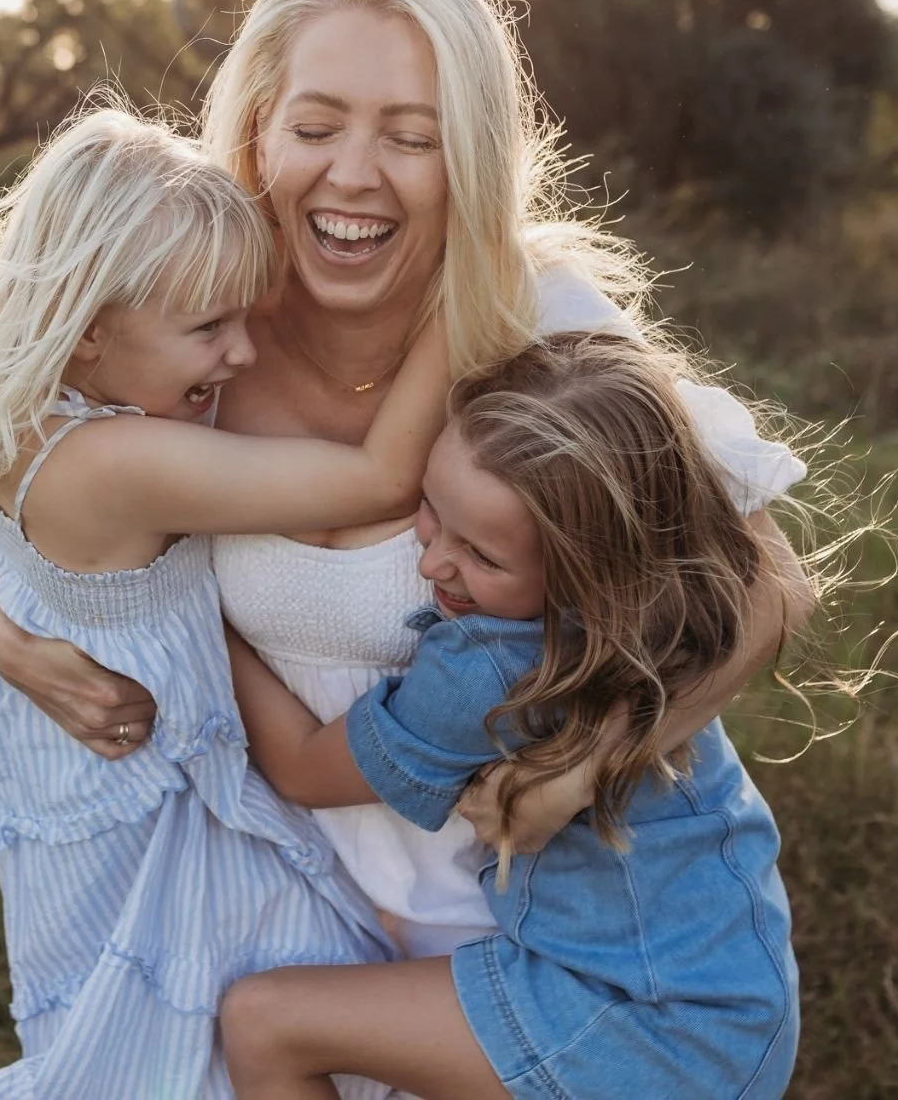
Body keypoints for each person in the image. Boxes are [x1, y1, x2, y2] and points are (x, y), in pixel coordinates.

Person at [0, 0, 812, 1089]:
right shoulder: (193, 328)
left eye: (411, 136)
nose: (354, 175)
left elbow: (767, 584)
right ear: (258, 130)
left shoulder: (531, 322)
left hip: (547, 904)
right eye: (317, 127)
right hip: (289, 888)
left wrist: (595, 758)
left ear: (471, 156)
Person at [0, 107, 453, 1099]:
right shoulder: (116, 462)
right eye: (209, 329)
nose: (242, 353)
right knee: (180, 1023)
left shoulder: (26, 401)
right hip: (142, 806)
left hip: (78, 775)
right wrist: (470, 285)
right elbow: (378, 478)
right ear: (87, 333)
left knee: (138, 1027)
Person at [220, 331, 801, 1100]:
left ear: (583, 571)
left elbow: (302, 770)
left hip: (652, 1023)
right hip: (733, 988)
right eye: (430, 509)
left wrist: (204, 619)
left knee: (263, 1023)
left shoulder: (490, 670)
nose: (431, 562)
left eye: (483, 557)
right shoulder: (667, 622)